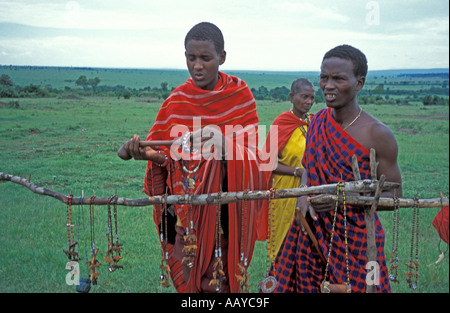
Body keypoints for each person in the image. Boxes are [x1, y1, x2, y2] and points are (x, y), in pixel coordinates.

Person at [118, 22, 265, 293]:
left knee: (222, 285)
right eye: (191, 58)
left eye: (205, 59)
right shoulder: (177, 100)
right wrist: (143, 154)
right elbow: (166, 156)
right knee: (190, 285)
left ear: (221, 58)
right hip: (186, 214)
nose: (197, 66)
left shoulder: (240, 96)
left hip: (227, 215)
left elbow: (256, 159)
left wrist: (224, 146)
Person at [266, 44, 402, 293]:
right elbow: (308, 166)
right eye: (324, 77)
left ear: (359, 83)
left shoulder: (377, 134)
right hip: (310, 232)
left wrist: (343, 201)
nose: (328, 85)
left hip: (357, 241)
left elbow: (394, 198)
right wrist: (304, 193)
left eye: (338, 79)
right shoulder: (318, 121)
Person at [261, 78, 315, 263]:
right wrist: (297, 171)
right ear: (292, 97)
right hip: (285, 191)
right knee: (283, 240)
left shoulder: (315, 123)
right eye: (304, 97)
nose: (308, 102)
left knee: (309, 242)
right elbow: (268, 162)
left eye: (312, 98)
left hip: (311, 191)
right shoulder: (281, 123)